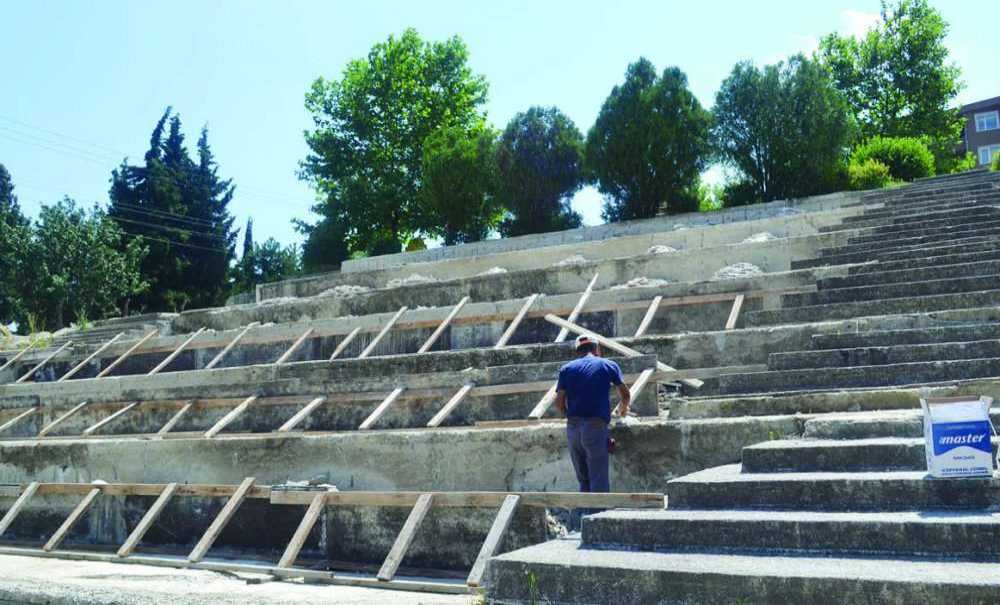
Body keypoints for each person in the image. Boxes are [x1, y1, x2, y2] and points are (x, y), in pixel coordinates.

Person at [555, 334, 631, 494]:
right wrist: (622, 409)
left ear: (577, 351)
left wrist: (570, 418)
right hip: (596, 427)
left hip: (573, 429)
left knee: (584, 479)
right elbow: (625, 394)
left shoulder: (566, 369)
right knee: (598, 479)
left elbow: (559, 403)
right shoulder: (608, 365)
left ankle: (584, 515)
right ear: (597, 349)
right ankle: (597, 516)